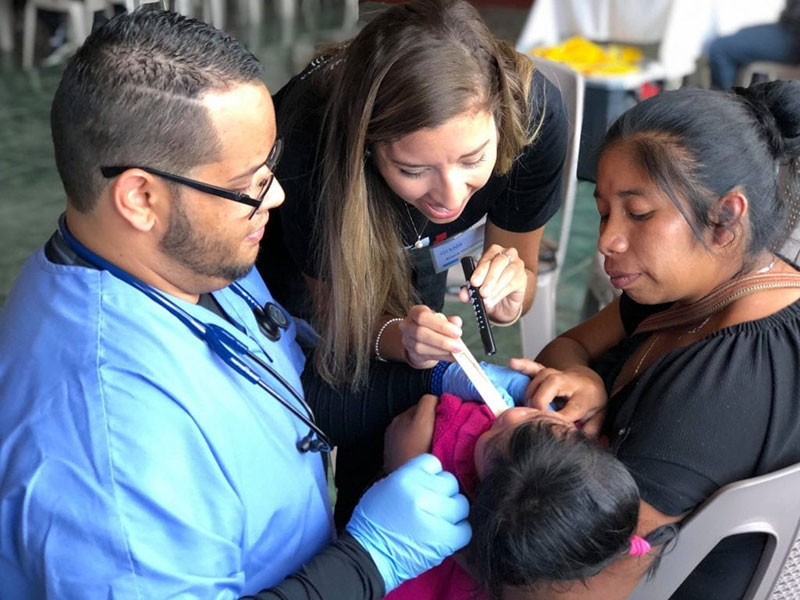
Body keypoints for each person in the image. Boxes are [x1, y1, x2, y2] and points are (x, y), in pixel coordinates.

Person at [0, 10, 474, 599]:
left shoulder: (175, 261)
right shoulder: (114, 440)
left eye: (271, 166)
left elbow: (275, 370)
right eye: (250, 182)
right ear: (141, 197)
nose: (275, 194)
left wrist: (448, 379)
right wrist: (369, 561)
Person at [258, 0, 567, 522]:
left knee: (407, 402)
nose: (450, 195)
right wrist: (397, 336)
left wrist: (510, 297)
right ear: (369, 148)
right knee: (311, 418)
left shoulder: (534, 117)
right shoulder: (313, 147)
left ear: (499, 116)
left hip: (417, 246)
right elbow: (341, 320)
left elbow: (522, 277)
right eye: (412, 168)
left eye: (474, 159)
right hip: (299, 267)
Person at [512, 80, 800, 598]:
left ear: (725, 218)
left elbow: (581, 586)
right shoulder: (698, 281)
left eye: (639, 213)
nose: (607, 241)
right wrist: (583, 378)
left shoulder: (722, 386)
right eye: (604, 212)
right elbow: (566, 347)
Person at [380, 393, 668, 600]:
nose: (512, 414)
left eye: (492, 439)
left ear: (478, 501)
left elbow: (423, 407)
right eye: (540, 423)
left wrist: (403, 467)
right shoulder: (562, 555)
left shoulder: (442, 447)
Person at [708, 0, 800, 89]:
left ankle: (724, 101)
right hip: (787, 26)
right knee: (737, 36)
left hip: (794, 38)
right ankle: (731, 96)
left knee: (721, 49)